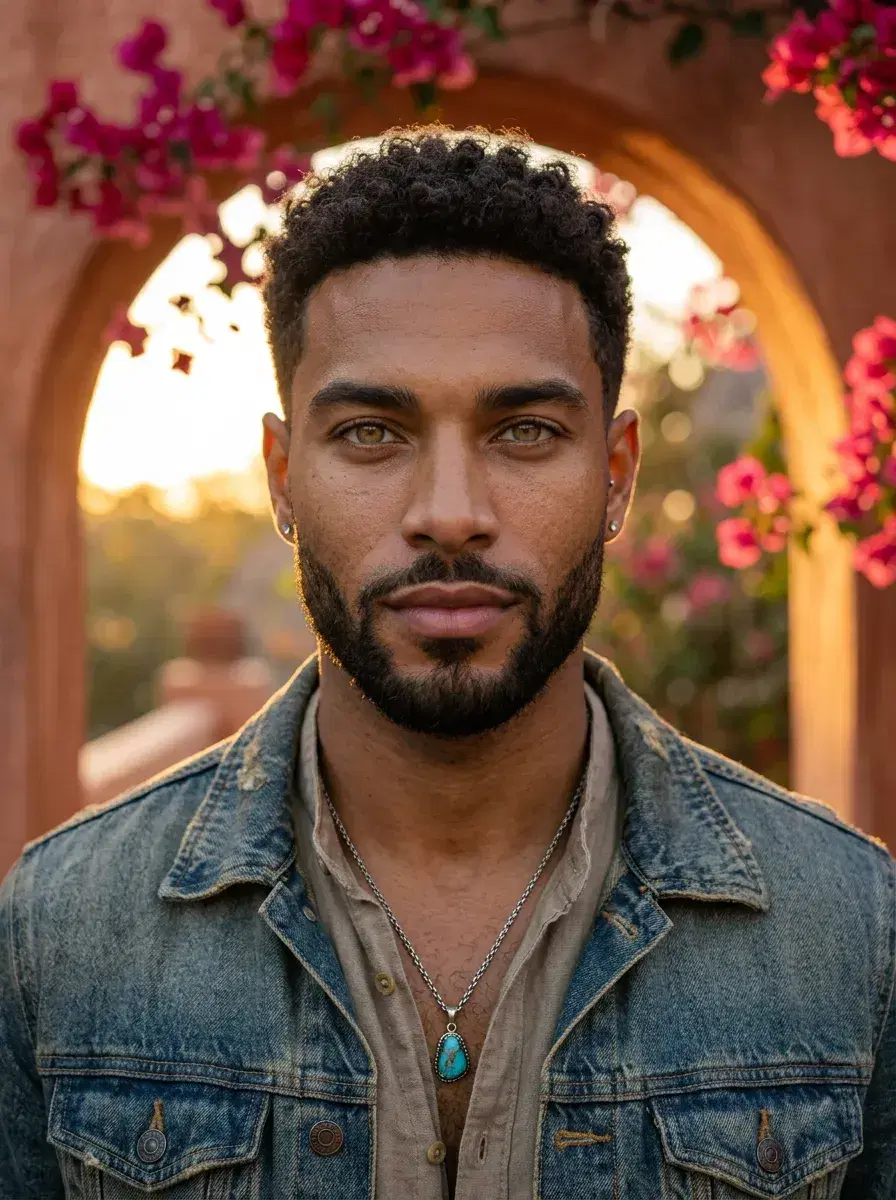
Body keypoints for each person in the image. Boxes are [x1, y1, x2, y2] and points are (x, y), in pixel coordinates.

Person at [1, 130, 893, 1200]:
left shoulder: (847, 929)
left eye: (522, 430)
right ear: (284, 477)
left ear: (614, 476)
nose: (449, 515)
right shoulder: (61, 932)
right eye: (373, 433)